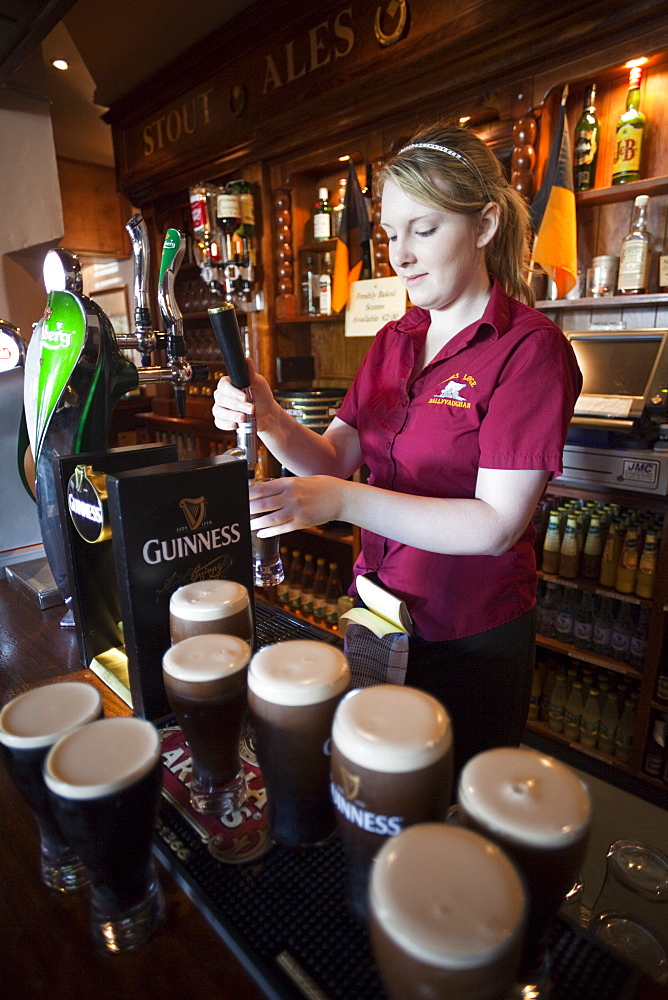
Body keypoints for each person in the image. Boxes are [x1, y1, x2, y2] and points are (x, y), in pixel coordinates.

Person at [212, 122, 582, 776]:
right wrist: (268, 417)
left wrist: (338, 501)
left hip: (470, 639)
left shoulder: (529, 350)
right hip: (378, 616)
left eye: (425, 229)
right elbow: (330, 459)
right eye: (389, 234)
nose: (400, 254)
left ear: (485, 224)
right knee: (379, 789)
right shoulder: (394, 340)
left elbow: (495, 526)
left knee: (457, 818)